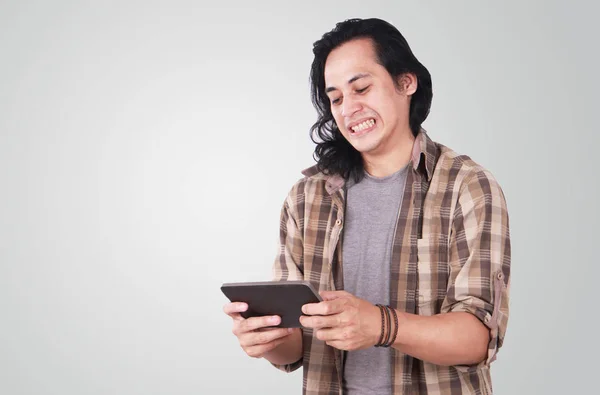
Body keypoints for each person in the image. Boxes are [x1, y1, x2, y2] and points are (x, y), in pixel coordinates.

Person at [223, 17, 511, 395]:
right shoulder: (307, 197)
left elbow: (477, 339)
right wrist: (267, 339)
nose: (349, 109)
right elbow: (295, 347)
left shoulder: (467, 186)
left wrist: (379, 324)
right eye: (337, 98)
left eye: (361, 88)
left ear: (406, 82)